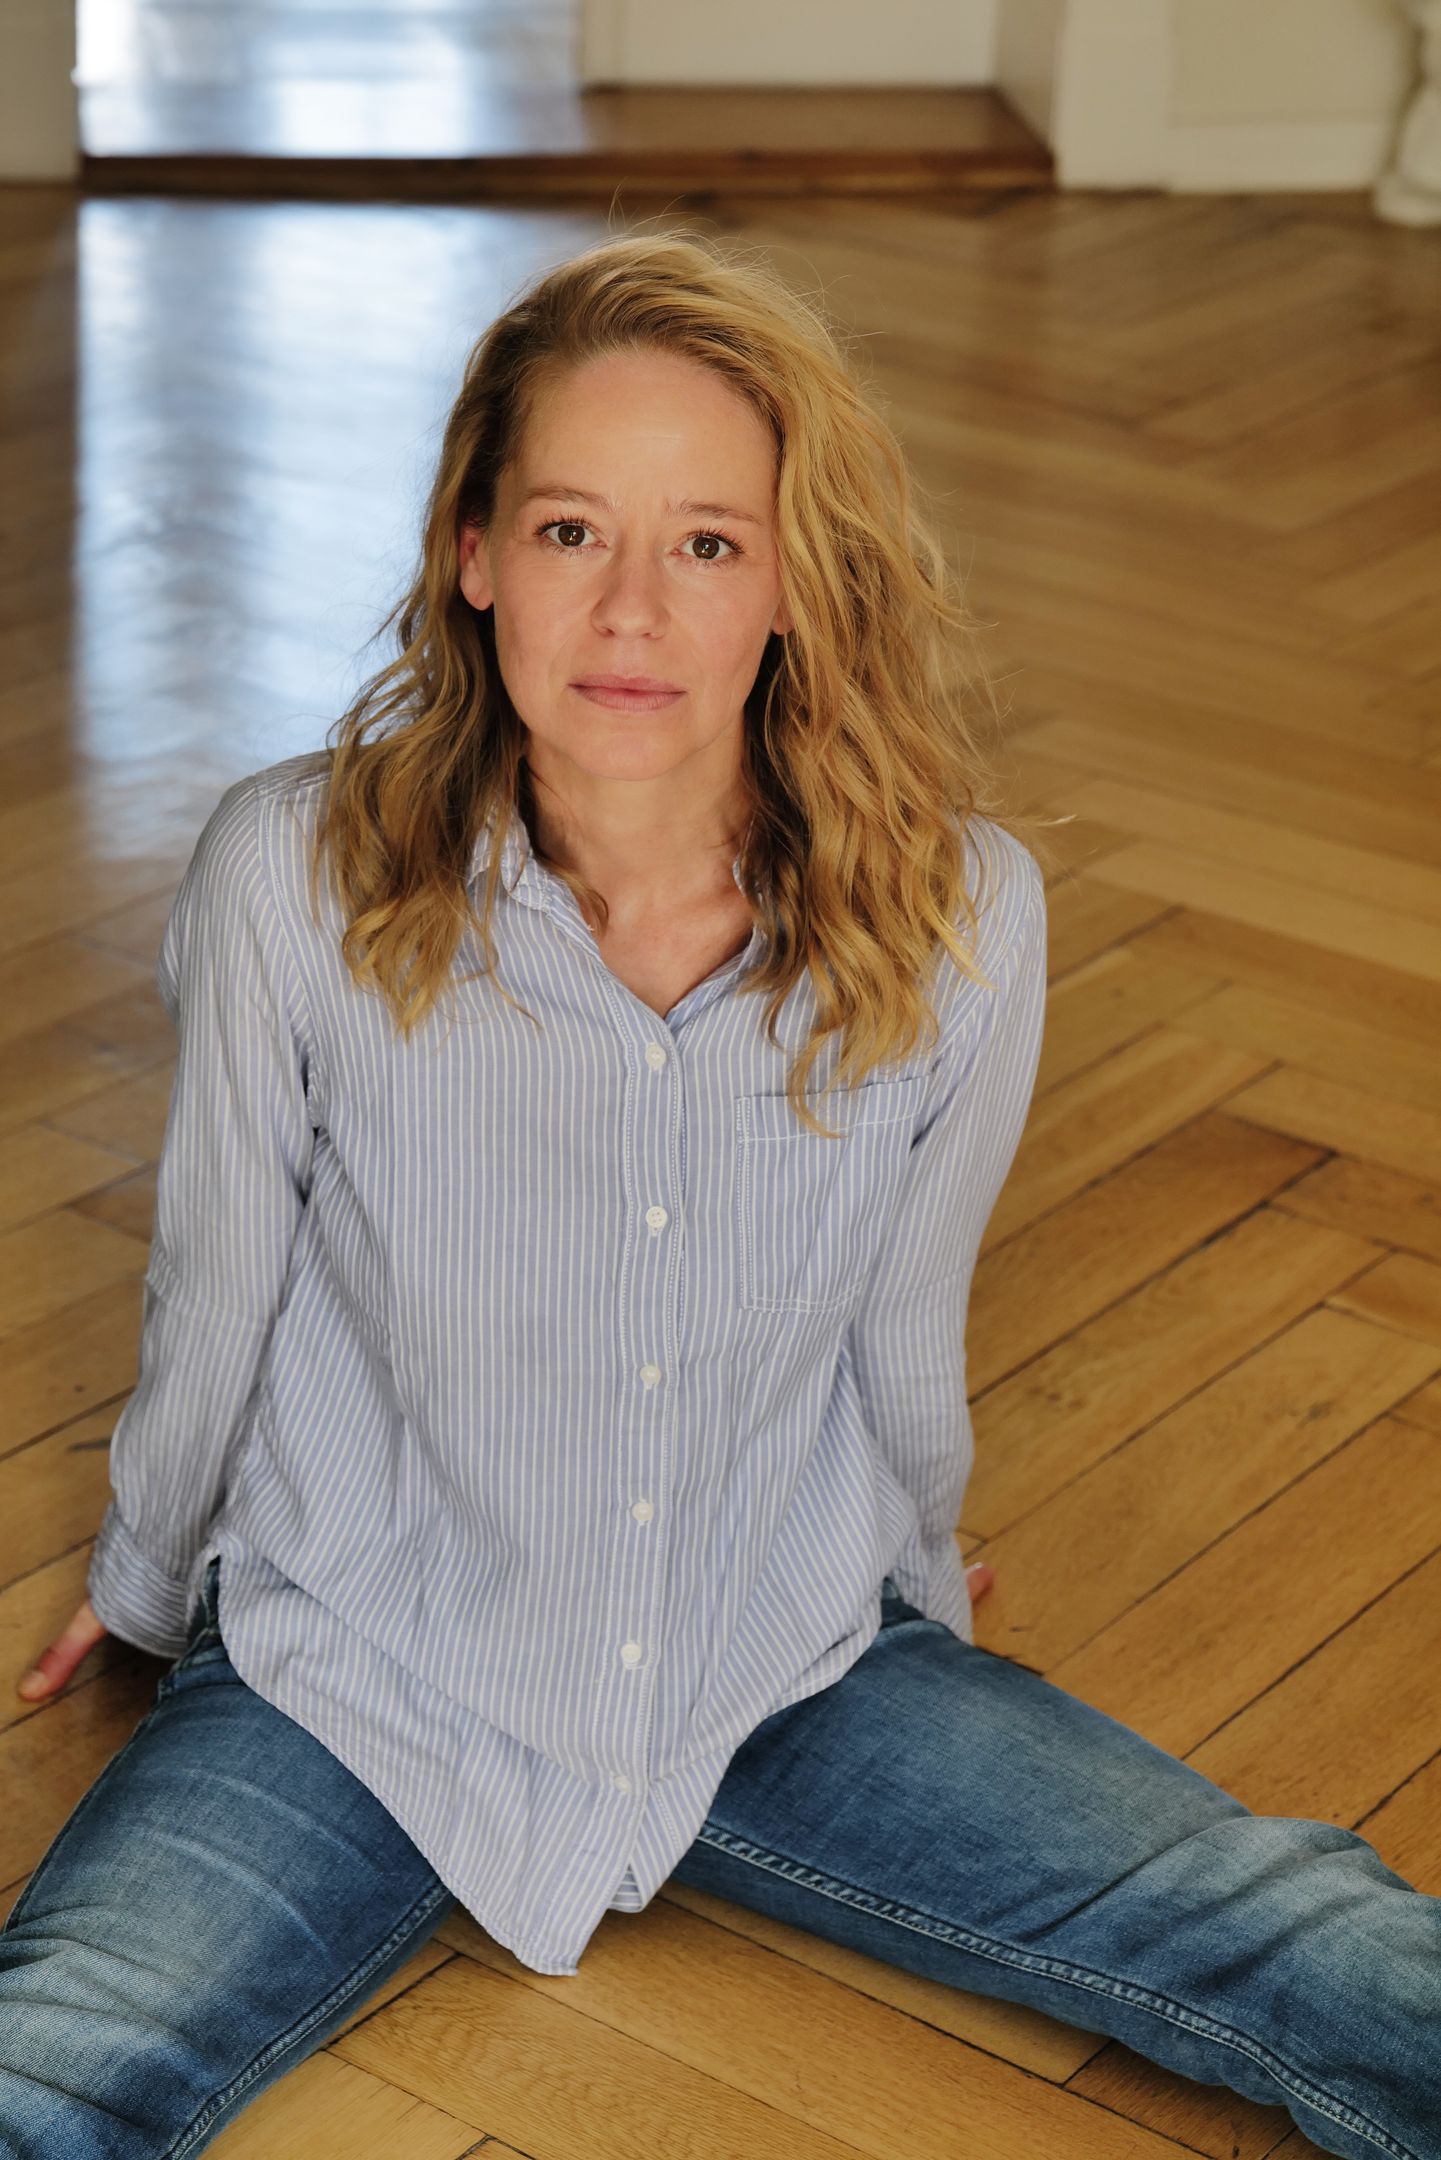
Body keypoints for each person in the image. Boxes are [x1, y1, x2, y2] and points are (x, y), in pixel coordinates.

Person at [1, 230, 1437, 2160]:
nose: (629, 611)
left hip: (779, 1659)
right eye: (570, 529)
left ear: (789, 582)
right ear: (474, 552)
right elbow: (218, 1276)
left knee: (1309, 1940)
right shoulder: (289, 869)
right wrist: (144, 1584)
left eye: (704, 542)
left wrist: (910, 1566)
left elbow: (901, 1325)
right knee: (46, 2070)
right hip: (354, 1668)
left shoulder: (963, 915)